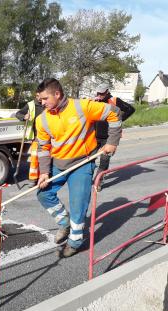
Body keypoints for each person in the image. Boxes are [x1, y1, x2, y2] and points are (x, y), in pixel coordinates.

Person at [35, 78, 121, 257]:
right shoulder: (41, 119)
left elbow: (115, 113)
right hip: (58, 164)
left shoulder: (83, 107)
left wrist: (112, 142)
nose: (41, 103)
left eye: (44, 99)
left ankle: (74, 242)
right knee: (43, 194)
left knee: (78, 205)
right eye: (40, 99)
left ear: (57, 94)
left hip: (82, 163)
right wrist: (44, 172)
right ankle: (64, 222)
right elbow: (43, 148)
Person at [94, 83, 135, 191]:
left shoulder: (115, 100)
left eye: (102, 93)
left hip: (109, 138)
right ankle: (88, 179)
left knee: (104, 161)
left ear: (107, 92)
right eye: (98, 93)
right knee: (89, 160)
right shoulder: (95, 102)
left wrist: (119, 119)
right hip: (94, 137)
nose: (99, 95)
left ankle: (98, 182)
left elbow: (130, 109)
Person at [15, 93, 44, 187]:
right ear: (36, 95)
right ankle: (33, 179)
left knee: (45, 158)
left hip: (47, 136)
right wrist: (24, 117)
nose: (42, 98)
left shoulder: (47, 103)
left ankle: (44, 177)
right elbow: (18, 113)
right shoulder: (31, 105)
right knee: (35, 158)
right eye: (40, 96)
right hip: (36, 136)